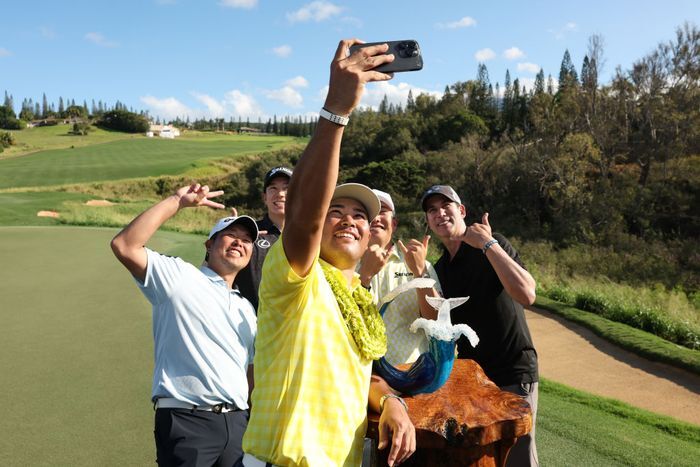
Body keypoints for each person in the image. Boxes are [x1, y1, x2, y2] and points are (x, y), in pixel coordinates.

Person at [242, 40, 415, 467]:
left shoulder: (356, 295)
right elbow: (302, 215)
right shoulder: (297, 274)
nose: (351, 220)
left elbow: (360, 377)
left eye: (361, 215)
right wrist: (337, 110)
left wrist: (393, 402)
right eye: (335, 211)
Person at [110, 183, 258, 466]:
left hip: (238, 423)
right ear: (209, 244)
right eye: (230, 235)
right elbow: (125, 245)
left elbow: (248, 368)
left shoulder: (245, 307)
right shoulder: (179, 277)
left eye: (246, 240)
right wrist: (177, 201)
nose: (239, 242)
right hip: (188, 421)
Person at [421, 184, 539, 467]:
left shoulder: (492, 243)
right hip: (472, 381)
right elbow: (438, 323)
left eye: (446, 206)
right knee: (479, 459)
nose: (440, 214)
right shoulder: (441, 268)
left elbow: (527, 294)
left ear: (461, 211)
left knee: (517, 460)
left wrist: (488, 245)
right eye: (432, 210)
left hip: (512, 371)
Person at [357, 189, 442, 365]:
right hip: (356, 374)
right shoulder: (343, 264)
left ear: (394, 223)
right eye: (369, 212)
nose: (376, 218)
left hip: (410, 375)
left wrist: (419, 273)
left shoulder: (419, 263)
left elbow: (437, 324)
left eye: (382, 212)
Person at [235, 166, 292, 310]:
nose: (280, 194)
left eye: (287, 188)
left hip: (293, 327)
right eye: (273, 188)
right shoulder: (248, 231)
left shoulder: (308, 237)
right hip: (248, 323)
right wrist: (227, 235)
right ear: (264, 197)